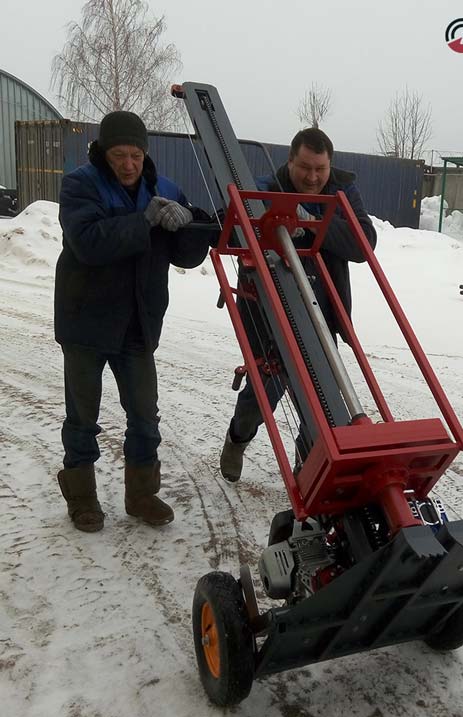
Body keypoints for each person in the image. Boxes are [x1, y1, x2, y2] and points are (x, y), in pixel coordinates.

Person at [55, 110, 220, 532]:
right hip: (86, 323)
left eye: (136, 154)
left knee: (145, 415)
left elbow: (185, 254)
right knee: (82, 418)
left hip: (138, 324)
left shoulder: (164, 188)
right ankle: (83, 500)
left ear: (145, 153)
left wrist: (192, 225)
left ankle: (142, 495)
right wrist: (144, 219)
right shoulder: (80, 185)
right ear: (102, 153)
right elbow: (88, 242)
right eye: (119, 155)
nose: (129, 164)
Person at [219, 127, 377, 482]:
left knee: (322, 404)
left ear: (329, 165)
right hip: (270, 311)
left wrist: (312, 223)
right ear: (290, 161)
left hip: (320, 311)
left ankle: (308, 473)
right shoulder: (263, 188)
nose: (313, 177)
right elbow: (230, 225)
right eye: (305, 167)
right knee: (263, 395)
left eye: (320, 168)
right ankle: (238, 438)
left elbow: (364, 241)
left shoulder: (341, 190)